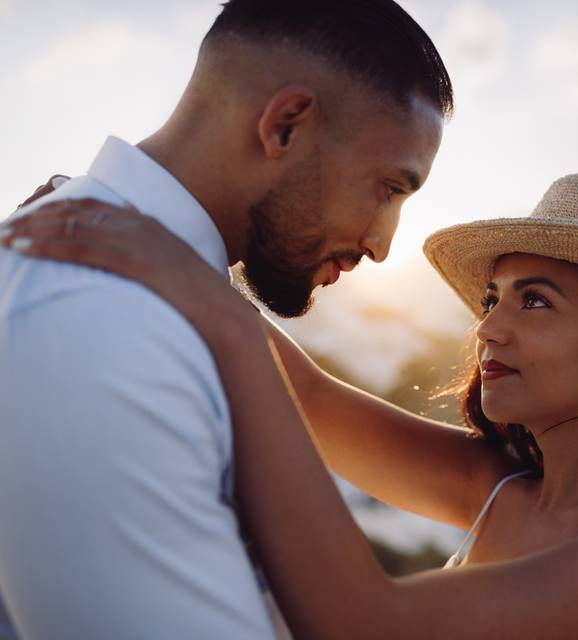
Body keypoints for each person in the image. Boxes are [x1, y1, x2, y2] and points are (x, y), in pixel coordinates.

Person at [1, 170, 578, 639]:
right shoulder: (501, 487)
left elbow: (363, 624)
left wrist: (208, 308)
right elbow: (308, 399)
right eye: (493, 298)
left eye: (535, 302)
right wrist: (120, 220)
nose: (488, 326)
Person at [0, 1, 450, 638]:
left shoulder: (150, 291)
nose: (382, 244)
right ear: (286, 125)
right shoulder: (100, 319)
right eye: (388, 188)